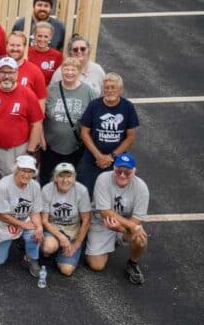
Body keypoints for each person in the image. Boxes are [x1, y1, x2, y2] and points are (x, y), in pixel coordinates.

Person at [0, 57, 44, 193]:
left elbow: (36, 124)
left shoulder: (28, 94)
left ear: (17, 73)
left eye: (10, 72)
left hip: (17, 150)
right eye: (3, 72)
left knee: (14, 188)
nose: (6, 76)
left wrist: (30, 152)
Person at [86, 154, 149, 284]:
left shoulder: (142, 188)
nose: (122, 175)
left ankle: (132, 263)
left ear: (134, 171)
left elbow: (136, 220)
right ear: (113, 169)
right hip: (101, 222)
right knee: (96, 265)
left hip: (124, 226)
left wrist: (121, 229)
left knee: (140, 239)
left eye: (127, 172)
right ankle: (102, 242)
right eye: (119, 171)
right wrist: (132, 227)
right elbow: (105, 212)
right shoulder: (103, 179)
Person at [0, 155, 46, 283]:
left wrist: (39, 227)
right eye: (23, 170)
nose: (27, 175)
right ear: (16, 170)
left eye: (30, 171)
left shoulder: (35, 186)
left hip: (22, 218)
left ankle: (30, 258)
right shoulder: (3, 186)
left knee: (35, 232)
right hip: (1, 221)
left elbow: (35, 211)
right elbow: (1, 214)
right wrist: (23, 225)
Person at [79, 73, 139, 196]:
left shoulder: (128, 107)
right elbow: (84, 132)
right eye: (106, 87)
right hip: (92, 158)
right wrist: (98, 156)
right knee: (85, 193)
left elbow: (131, 137)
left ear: (120, 89)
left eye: (113, 87)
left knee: (115, 194)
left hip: (118, 160)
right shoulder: (94, 105)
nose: (109, 90)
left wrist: (111, 156)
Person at [41, 56, 93, 185]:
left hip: (76, 147)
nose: (69, 72)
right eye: (66, 69)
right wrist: (41, 137)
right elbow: (40, 116)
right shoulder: (51, 90)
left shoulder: (88, 91)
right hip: (51, 147)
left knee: (71, 181)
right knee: (47, 180)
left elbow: (94, 118)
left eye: (73, 70)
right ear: (61, 71)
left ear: (79, 72)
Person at [39, 162, 91, 277]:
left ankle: (61, 254)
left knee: (66, 270)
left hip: (72, 233)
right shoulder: (47, 189)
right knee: (48, 247)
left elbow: (86, 221)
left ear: (74, 178)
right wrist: (61, 237)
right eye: (61, 176)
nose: (65, 180)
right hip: (53, 229)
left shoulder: (81, 190)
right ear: (55, 178)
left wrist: (76, 244)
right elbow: (44, 220)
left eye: (69, 176)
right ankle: (50, 253)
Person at [0, 32, 48, 109]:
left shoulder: (35, 72)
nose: (15, 49)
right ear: (6, 46)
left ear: (24, 47)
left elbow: (41, 101)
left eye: (18, 45)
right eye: (12, 45)